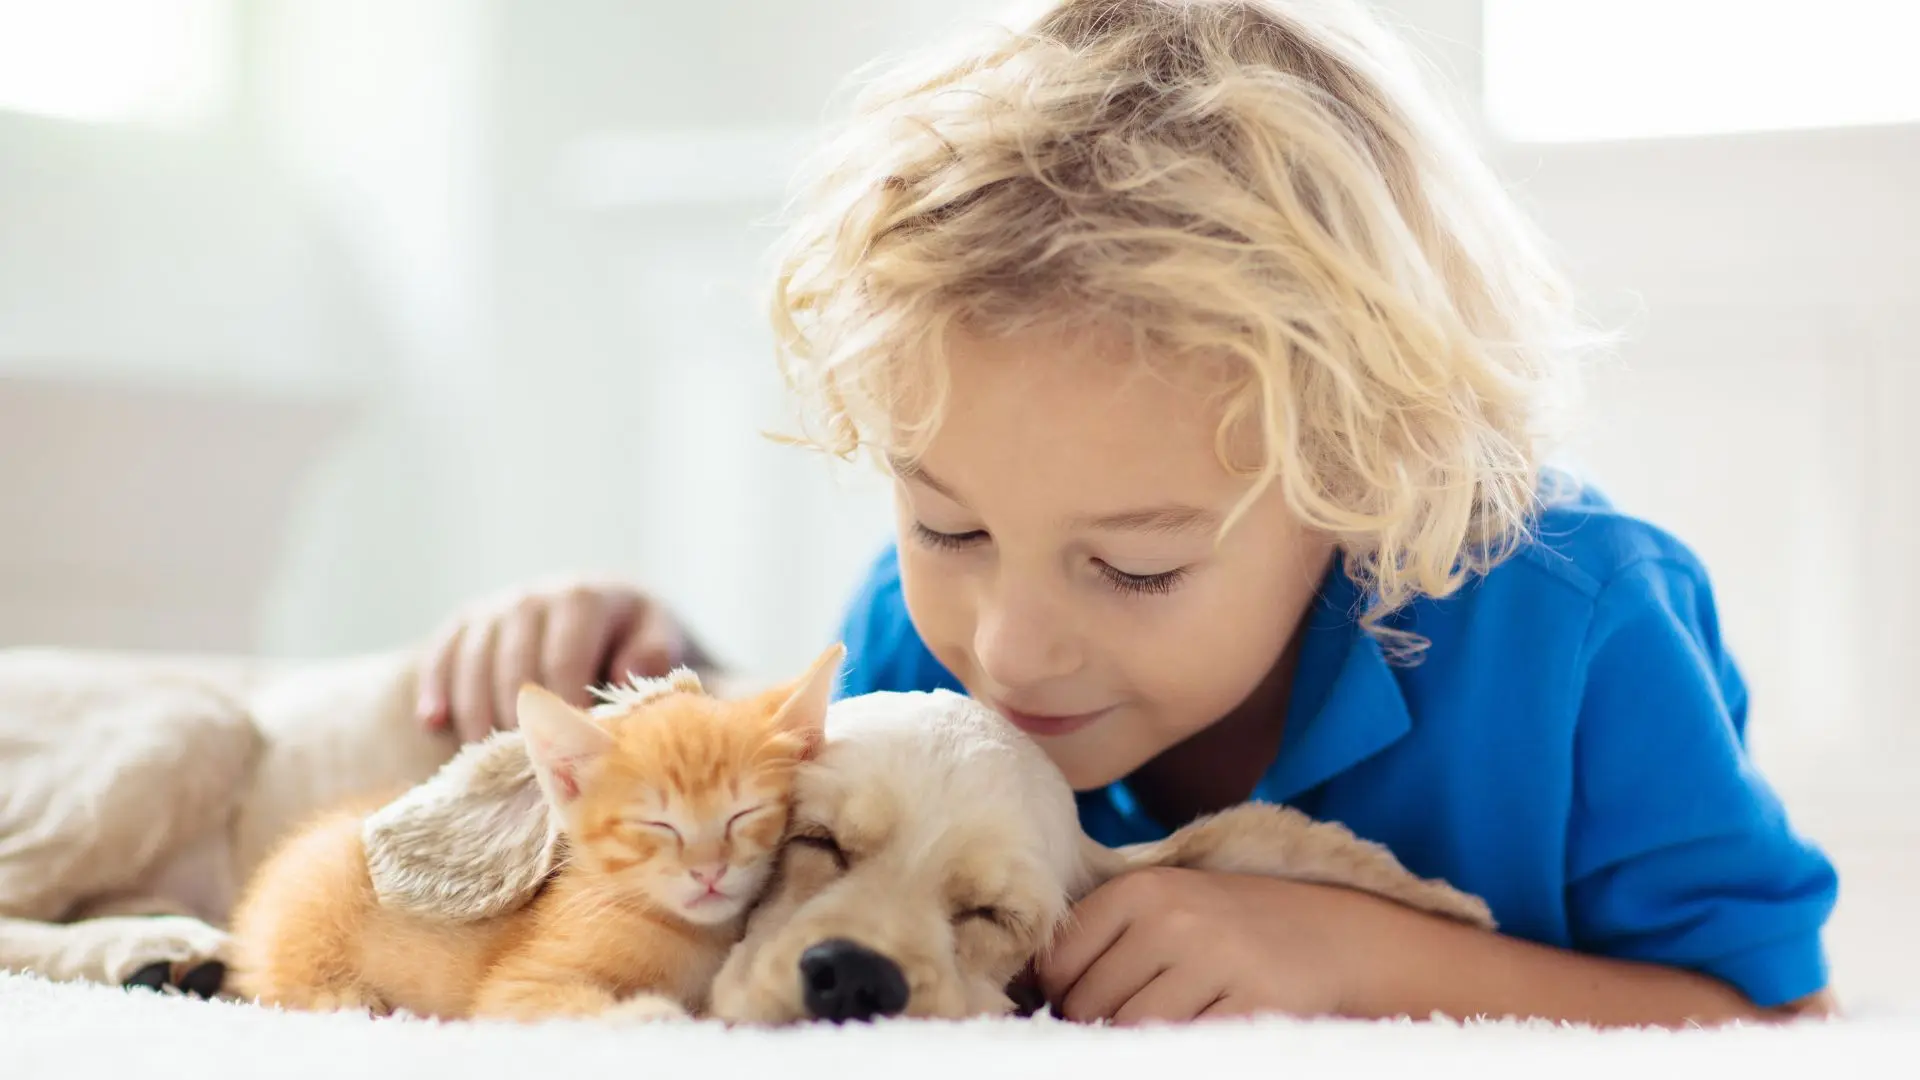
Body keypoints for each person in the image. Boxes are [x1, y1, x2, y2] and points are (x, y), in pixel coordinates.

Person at [412, 0, 1836, 1029]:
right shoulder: (920, 643)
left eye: (1136, 566)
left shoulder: (1584, 632)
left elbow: (1775, 1018)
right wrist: (651, 665)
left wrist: (1349, 958)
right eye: (950, 528)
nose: (1008, 649)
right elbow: (807, 850)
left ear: (1359, 487)